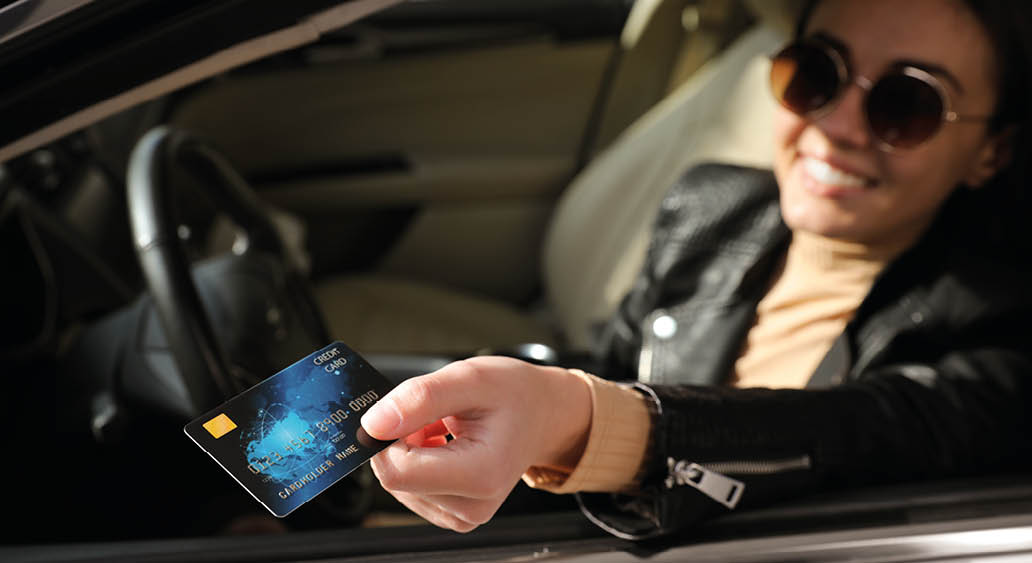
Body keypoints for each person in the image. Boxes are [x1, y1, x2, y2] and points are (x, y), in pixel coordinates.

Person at [359, 0, 1032, 538]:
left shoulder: (1000, 326)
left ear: (992, 151)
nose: (838, 124)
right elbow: (616, 367)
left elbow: (846, 433)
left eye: (906, 105)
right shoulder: (713, 210)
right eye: (816, 73)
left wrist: (572, 416)